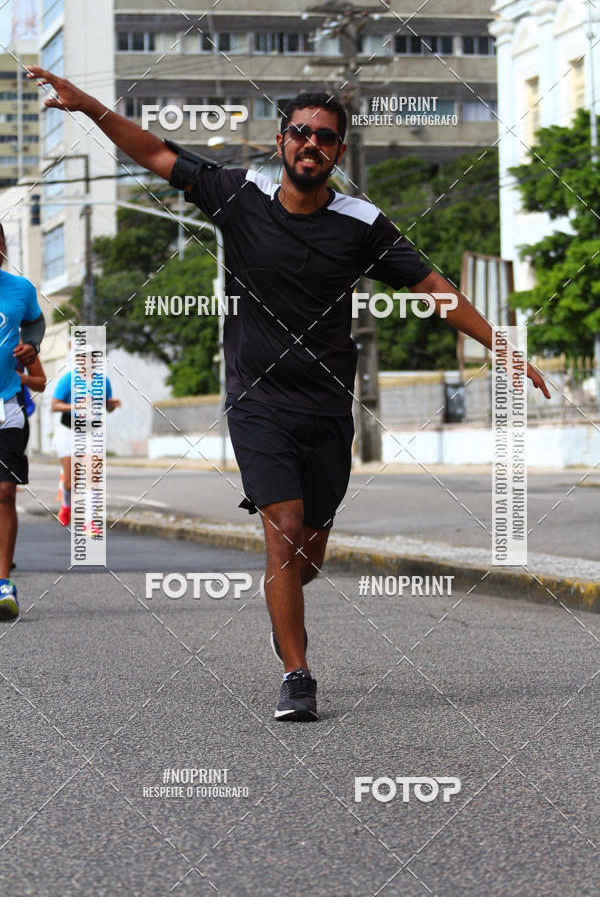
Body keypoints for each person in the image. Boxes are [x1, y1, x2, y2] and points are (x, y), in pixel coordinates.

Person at [26, 65, 551, 719]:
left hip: (329, 407)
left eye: (325, 137)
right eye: (300, 133)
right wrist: (88, 108)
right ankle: (298, 674)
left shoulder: (362, 224)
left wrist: (499, 344)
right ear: (281, 142)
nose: (311, 144)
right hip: (257, 403)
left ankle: (283, 595)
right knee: (286, 531)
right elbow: (156, 151)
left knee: (307, 556)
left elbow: (434, 290)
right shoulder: (236, 194)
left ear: (338, 151)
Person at [0, 222, 46, 621]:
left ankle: (3, 583)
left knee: (4, 493)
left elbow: (35, 323)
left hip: (7, 406)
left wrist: (32, 346)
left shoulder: (20, 289)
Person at [51, 354, 121, 527]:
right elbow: (54, 405)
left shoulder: (103, 381)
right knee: (70, 482)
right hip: (69, 430)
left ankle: (90, 521)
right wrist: (75, 406)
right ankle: (66, 506)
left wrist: (111, 405)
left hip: (92, 431)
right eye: (84, 357)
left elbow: (107, 407)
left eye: (92, 357)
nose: (88, 361)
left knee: (93, 476)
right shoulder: (68, 379)